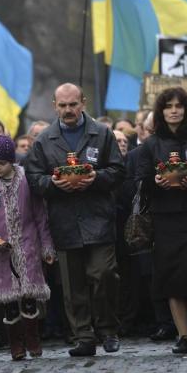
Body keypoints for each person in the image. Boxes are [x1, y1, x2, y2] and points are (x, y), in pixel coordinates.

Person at [26, 83, 125, 357]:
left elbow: (118, 170)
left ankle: (108, 329)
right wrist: (54, 184)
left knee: (104, 274)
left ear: (83, 102)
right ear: (54, 105)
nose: (68, 110)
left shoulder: (102, 133)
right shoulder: (44, 140)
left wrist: (96, 179)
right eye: (62, 105)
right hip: (64, 221)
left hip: (98, 219)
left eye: (73, 104)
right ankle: (83, 336)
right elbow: (33, 179)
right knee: (73, 285)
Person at [136, 87, 187, 354]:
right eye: (168, 106)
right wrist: (156, 182)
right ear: (161, 111)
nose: (174, 110)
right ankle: (182, 335)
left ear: (186, 110)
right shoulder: (150, 144)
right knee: (171, 276)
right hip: (164, 219)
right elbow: (141, 180)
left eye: (179, 106)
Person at [0, 135, 55, 360]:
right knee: (9, 303)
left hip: (28, 248)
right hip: (1, 254)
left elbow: (40, 217)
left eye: (2, 163)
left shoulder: (28, 182)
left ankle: (33, 341)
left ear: (12, 161)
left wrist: (46, 246)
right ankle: (15, 346)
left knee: (29, 300)